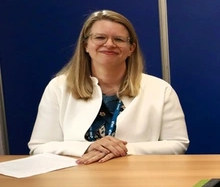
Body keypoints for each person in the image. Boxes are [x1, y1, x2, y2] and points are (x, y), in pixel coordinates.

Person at [29, 10, 189, 163]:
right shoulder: (59, 87)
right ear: (85, 45)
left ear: (131, 49)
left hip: (139, 179)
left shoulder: (160, 89)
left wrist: (122, 149)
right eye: (100, 37)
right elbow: (39, 147)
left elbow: (177, 144)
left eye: (119, 39)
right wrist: (87, 147)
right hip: (76, 181)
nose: (109, 44)